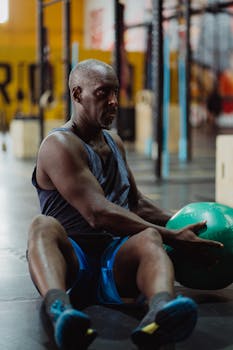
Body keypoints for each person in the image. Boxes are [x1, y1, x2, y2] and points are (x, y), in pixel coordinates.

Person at [27, 59, 223, 350]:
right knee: (42, 226)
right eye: (103, 93)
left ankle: (160, 314)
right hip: (71, 261)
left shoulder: (114, 142)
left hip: (114, 261)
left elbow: (137, 203)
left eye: (116, 92)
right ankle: (59, 310)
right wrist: (175, 238)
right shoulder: (58, 145)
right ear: (78, 94)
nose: (114, 101)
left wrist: (189, 223)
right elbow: (97, 213)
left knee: (149, 236)